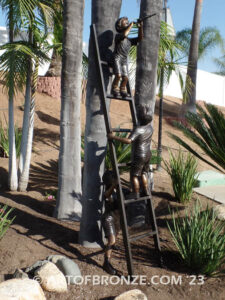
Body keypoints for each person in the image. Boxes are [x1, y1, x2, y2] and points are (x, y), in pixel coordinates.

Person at [108, 104, 153, 198]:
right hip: (148, 154)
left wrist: (113, 137)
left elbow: (128, 141)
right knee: (144, 172)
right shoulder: (150, 128)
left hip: (139, 155)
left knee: (134, 175)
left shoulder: (138, 129)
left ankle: (135, 193)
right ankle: (146, 190)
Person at [112, 17, 143, 97]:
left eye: (128, 22)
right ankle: (115, 87)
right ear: (120, 26)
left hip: (124, 60)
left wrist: (140, 27)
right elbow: (125, 34)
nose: (127, 23)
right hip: (117, 58)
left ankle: (122, 88)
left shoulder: (129, 41)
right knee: (118, 75)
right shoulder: (118, 36)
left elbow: (140, 39)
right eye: (125, 23)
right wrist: (131, 25)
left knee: (125, 78)